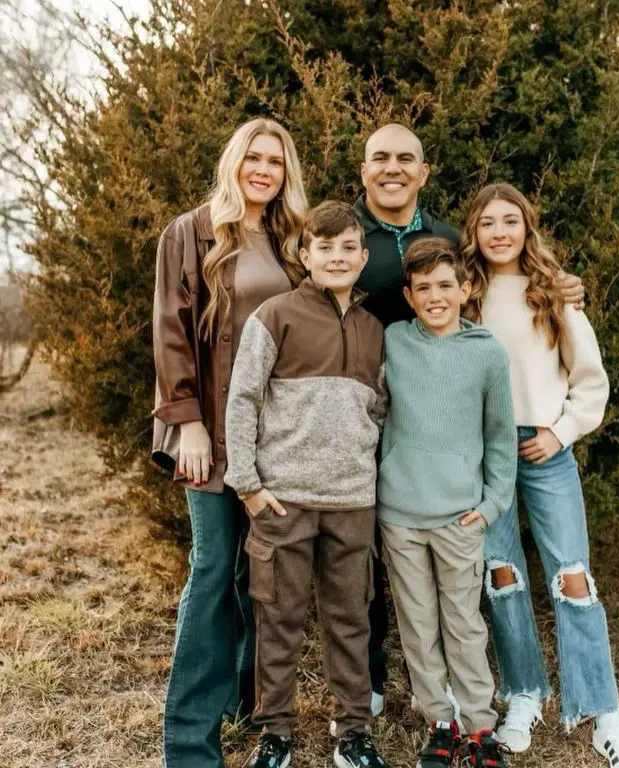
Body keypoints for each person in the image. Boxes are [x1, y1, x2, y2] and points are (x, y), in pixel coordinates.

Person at [354, 123, 587, 716]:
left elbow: (498, 288)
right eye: (380, 157)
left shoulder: (451, 243)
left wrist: (557, 284)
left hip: (462, 437)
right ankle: (382, 682)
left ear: (423, 171)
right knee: (391, 581)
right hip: (381, 417)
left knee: (475, 592)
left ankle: (506, 704)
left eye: (406, 158)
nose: (393, 168)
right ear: (364, 170)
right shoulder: (348, 235)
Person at [461, 182, 619, 768]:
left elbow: (590, 379)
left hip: (544, 447)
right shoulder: (464, 295)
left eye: (510, 221)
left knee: (572, 575)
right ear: (473, 232)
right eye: (487, 222)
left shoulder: (553, 295)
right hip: (483, 455)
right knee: (503, 575)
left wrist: (559, 432)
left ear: (527, 228)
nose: (499, 232)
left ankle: (604, 712)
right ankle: (524, 693)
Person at [151, 117, 307, 768]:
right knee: (214, 569)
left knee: (258, 576)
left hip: (277, 433)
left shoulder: (293, 237)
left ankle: (244, 700)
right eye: (253, 157)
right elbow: (171, 329)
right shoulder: (190, 232)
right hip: (209, 432)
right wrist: (185, 421)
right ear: (234, 161)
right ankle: (189, 743)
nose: (263, 170)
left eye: (275, 161)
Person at [224, 201, 390, 768]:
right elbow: (242, 398)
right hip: (283, 499)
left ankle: (353, 734)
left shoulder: (375, 331)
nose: (337, 257)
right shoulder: (275, 316)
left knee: (351, 619)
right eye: (326, 247)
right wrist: (247, 484)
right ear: (305, 254)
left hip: (352, 502)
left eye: (349, 248)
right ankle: (276, 734)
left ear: (364, 257)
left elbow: (383, 413)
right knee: (280, 618)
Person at [377, 237, 516, 768]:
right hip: (400, 513)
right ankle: (440, 721)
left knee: (463, 620)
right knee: (416, 619)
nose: (435, 297)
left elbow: (501, 437)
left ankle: (480, 725)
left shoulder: (486, 352)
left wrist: (492, 503)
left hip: (461, 515)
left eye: (445, 286)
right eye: (423, 289)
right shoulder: (393, 341)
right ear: (409, 297)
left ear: (465, 288)